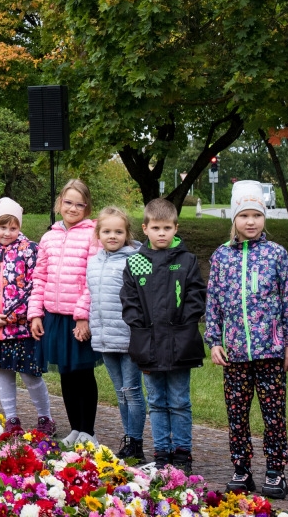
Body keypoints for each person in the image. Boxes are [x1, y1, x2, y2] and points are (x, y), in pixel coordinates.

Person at [206, 181, 288, 499]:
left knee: (274, 414)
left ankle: (276, 470)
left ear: (264, 218)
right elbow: (214, 302)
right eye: (244, 215)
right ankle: (241, 468)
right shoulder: (221, 257)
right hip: (234, 353)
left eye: (256, 215)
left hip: (271, 352)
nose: (250, 221)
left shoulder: (277, 254)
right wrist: (214, 340)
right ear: (233, 218)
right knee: (236, 413)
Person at [121, 198, 206, 474]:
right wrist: (139, 325)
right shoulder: (136, 263)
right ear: (145, 228)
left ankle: (182, 452)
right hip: (148, 344)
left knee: (180, 400)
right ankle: (162, 453)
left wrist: (185, 320)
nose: (161, 233)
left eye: (167, 227)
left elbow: (196, 295)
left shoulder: (187, 261)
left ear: (175, 228)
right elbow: (129, 300)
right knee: (156, 402)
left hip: (181, 343)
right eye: (156, 227)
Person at [29, 179, 101, 443]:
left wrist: (83, 316)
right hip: (54, 316)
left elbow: (92, 278)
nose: (72, 208)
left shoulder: (93, 235)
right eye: (68, 202)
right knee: (66, 374)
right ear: (59, 203)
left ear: (87, 207)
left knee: (83, 373)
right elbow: (39, 278)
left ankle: (88, 431)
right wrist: (35, 313)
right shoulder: (49, 236)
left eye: (79, 204)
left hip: (78, 316)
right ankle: (74, 429)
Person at [0, 197, 53, 434]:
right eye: (2, 226)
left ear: (19, 226)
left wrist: (14, 314)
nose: (8, 232)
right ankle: (11, 418)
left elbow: (35, 285)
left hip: (23, 327)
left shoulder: (30, 250)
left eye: (13, 227)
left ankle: (45, 417)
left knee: (30, 375)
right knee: (5, 373)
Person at [86, 206, 146, 460]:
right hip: (104, 337)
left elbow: (145, 296)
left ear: (127, 233)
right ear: (98, 233)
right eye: (107, 231)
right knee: (120, 391)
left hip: (129, 336)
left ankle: (136, 441)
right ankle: (128, 436)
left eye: (118, 231)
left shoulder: (136, 259)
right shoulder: (93, 261)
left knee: (132, 390)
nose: (113, 236)